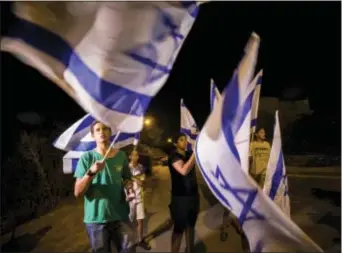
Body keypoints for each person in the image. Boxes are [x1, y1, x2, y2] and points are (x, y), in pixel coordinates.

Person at [73, 120, 135, 253]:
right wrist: (91, 172)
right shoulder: (86, 158)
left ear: (110, 132)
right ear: (92, 135)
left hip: (121, 215)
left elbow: (127, 178)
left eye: (105, 129)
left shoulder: (121, 155)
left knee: (129, 250)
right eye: (98, 130)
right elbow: (77, 192)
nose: (102, 132)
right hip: (96, 219)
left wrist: (129, 187)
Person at [167, 133, 199, 253]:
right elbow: (184, 170)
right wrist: (195, 153)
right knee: (179, 228)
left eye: (185, 140)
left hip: (193, 196)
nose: (185, 142)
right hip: (180, 198)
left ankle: (190, 250)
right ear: (175, 143)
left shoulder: (189, 154)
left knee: (190, 226)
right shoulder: (174, 156)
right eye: (181, 140)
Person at [127, 149, 151, 250]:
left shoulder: (141, 168)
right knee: (129, 221)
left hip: (139, 196)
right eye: (133, 155)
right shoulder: (125, 168)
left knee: (140, 220)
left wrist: (132, 177)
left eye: (137, 155)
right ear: (130, 157)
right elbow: (123, 182)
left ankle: (140, 240)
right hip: (129, 199)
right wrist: (132, 178)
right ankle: (129, 242)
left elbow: (142, 182)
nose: (136, 157)